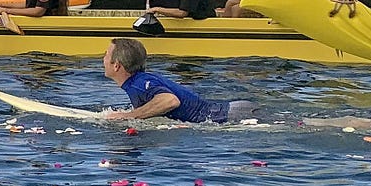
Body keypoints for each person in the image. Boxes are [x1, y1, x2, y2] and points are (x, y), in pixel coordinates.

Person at [103, 38, 257, 123]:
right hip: (232, 110)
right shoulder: (142, 80)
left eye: (106, 55)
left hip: (230, 116)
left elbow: (170, 101)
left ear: (117, 65)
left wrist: (128, 116)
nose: (103, 59)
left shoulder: (138, 85)